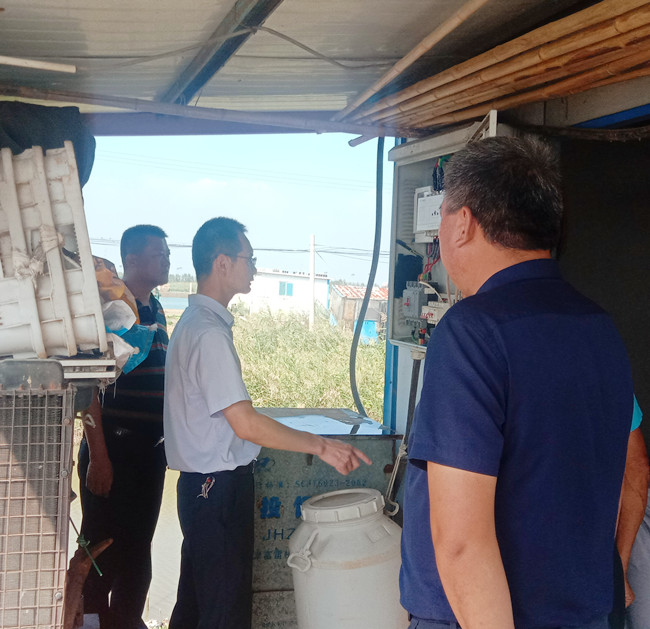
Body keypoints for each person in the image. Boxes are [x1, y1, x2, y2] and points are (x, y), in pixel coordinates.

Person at [399, 136, 634, 629]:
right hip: (584, 612)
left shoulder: (472, 332)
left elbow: (461, 544)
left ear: (463, 223)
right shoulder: (601, 329)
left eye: (443, 214)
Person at [163, 217, 371, 629]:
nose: (254, 269)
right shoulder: (208, 334)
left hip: (201, 489)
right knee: (223, 612)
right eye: (249, 259)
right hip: (217, 491)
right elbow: (245, 424)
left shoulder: (194, 323)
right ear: (223, 263)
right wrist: (321, 446)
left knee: (196, 605)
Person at [78, 224, 170, 629]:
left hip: (149, 452)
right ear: (131, 259)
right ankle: (90, 621)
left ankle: (126, 621)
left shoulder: (157, 310)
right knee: (100, 550)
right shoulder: (111, 308)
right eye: (158, 254)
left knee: (138, 551)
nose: (167, 260)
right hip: (112, 449)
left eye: (167, 253)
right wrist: (99, 457)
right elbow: (88, 388)